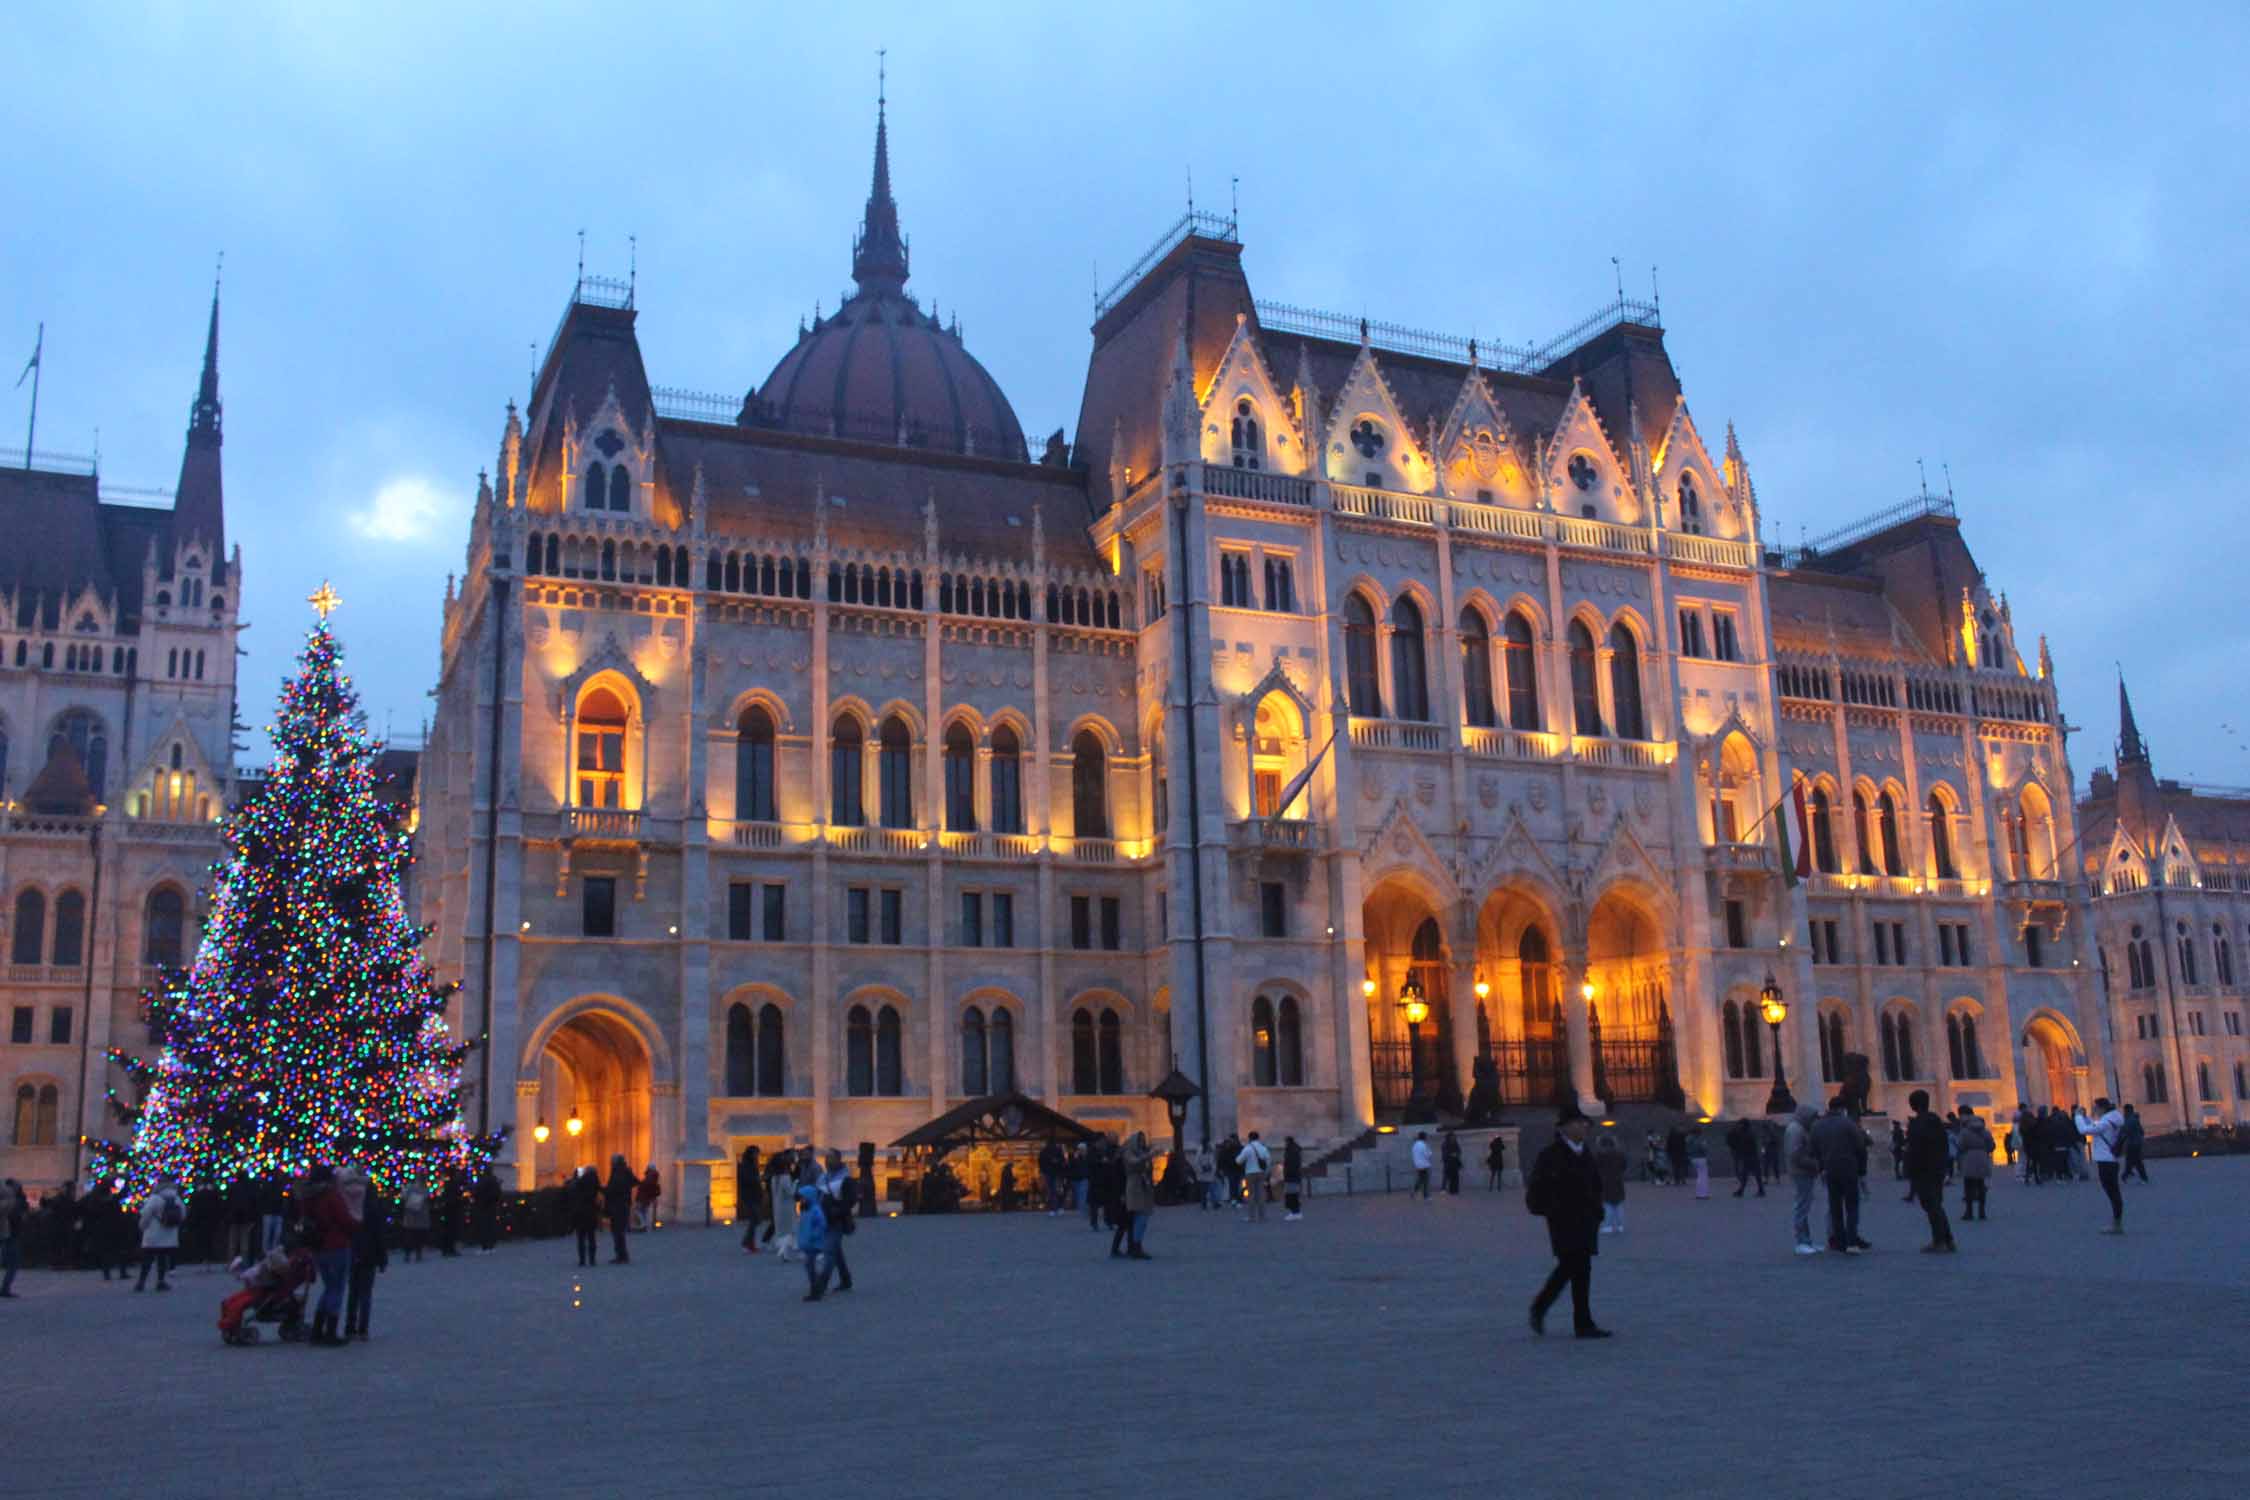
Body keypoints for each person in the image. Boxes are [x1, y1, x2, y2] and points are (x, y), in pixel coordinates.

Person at [1526, 1106, 1610, 1339]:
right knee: (1573, 1267)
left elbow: (1595, 1184)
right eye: (1579, 1123)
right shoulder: (1550, 1155)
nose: (1585, 1127)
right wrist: (1551, 1210)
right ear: (1564, 1127)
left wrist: (1597, 1211)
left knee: (1578, 1269)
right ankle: (1553, 1312)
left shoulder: (1585, 1153)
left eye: (1586, 1123)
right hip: (1563, 1222)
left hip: (1586, 1221)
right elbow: (1537, 1189)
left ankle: (1578, 1321)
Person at [302, 1166, 358, 1347]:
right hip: (337, 1245)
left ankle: (318, 1329)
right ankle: (330, 1331)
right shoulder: (331, 1196)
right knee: (336, 1288)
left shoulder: (308, 1197)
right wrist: (356, 1225)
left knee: (328, 1287)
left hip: (318, 1247)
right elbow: (344, 1220)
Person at [1811, 1098, 1871, 1254]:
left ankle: (1840, 1241)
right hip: (1848, 1169)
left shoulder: (1818, 1126)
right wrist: (1862, 1171)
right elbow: (1860, 1147)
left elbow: (1814, 1150)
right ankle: (1852, 1242)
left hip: (1830, 1171)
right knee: (1851, 1206)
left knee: (1835, 1207)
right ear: (1841, 1109)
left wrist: (1822, 1167)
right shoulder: (1848, 1124)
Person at [1903, 1090, 1956, 1253]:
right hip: (1937, 1168)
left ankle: (1939, 1241)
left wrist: (1910, 1169)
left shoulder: (1918, 1124)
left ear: (1914, 1105)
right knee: (1936, 1205)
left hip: (1923, 1170)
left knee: (1931, 1206)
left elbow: (1914, 1150)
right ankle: (1948, 1239)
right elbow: (1943, 1145)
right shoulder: (1936, 1120)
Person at [342, 1169, 388, 1340]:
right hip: (369, 1254)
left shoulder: (351, 1207)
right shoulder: (374, 1210)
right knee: (365, 1293)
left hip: (353, 1253)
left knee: (353, 1291)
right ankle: (363, 1328)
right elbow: (379, 1236)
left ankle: (349, 1325)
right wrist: (382, 1258)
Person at [2073, 1098, 2128, 1233]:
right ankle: (2117, 1223)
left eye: (2095, 1108)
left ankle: (2117, 1224)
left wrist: (2078, 1116)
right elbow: (2096, 1126)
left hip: (2106, 1160)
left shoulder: (2107, 1122)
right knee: (2114, 1192)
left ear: (2102, 1108)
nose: (2094, 1110)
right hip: (2111, 1159)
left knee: (2112, 1193)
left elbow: (2083, 1130)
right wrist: (2085, 1117)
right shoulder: (2112, 1119)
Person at [1783, 1101, 1823, 1255]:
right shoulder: (1796, 1130)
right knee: (1802, 1206)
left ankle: (1806, 1240)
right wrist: (1815, 1164)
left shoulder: (1799, 1128)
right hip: (1801, 1172)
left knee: (1804, 1205)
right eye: (1813, 1117)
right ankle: (1801, 1241)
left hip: (1803, 1171)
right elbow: (1796, 1155)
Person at [135, 1175, 187, 1292]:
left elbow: (146, 1214)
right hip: (169, 1235)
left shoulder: (155, 1198)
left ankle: (141, 1282)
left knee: (147, 1259)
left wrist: (142, 1226)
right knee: (162, 1260)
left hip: (153, 1235)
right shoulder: (176, 1198)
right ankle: (161, 1281)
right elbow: (183, 1214)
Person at [817, 1149, 856, 1293]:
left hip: (836, 1220)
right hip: (823, 1218)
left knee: (829, 1253)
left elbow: (851, 1199)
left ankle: (821, 1284)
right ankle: (846, 1280)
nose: (828, 1161)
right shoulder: (823, 1177)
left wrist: (838, 1211)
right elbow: (818, 1196)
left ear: (839, 1159)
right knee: (836, 1251)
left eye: (831, 1158)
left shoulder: (846, 1178)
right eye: (827, 1158)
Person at [1120, 1132, 1156, 1260]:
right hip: (1135, 1186)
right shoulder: (1129, 1152)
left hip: (1143, 1186)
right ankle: (1135, 1246)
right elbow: (1134, 1162)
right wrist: (1148, 1156)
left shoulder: (1141, 1152)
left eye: (1143, 1140)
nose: (1142, 1142)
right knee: (1140, 1216)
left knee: (1143, 1217)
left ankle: (1137, 1245)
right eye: (1140, 1140)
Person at [795, 1183, 833, 1302]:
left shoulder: (815, 1210)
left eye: (803, 1197)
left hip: (813, 1243)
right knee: (809, 1267)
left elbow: (822, 1225)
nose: (802, 1200)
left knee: (810, 1267)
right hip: (807, 1243)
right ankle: (817, 1289)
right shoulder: (805, 1209)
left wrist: (813, 1236)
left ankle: (815, 1291)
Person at [1955, 1108, 1995, 1222]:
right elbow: (1992, 1145)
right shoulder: (1985, 1132)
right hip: (1982, 1157)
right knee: (1981, 1184)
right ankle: (1982, 1212)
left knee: (1968, 1186)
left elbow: (1961, 1145)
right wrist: (1984, 1151)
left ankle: (1969, 1212)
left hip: (1968, 1158)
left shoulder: (1965, 1132)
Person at [80, 1179, 123, 1281]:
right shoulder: (110, 1199)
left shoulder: (94, 1198)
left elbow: (88, 1210)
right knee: (110, 1249)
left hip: (98, 1226)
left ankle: (105, 1270)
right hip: (109, 1226)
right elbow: (117, 1212)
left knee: (103, 1249)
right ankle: (110, 1270)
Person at [603, 1155, 637, 1263]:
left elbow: (613, 1189)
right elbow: (635, 1182)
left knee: (617, 1231)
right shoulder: (625, 1171)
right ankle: (622, 1255)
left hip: (618, 1205)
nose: (610, 1164)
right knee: (619, 1231)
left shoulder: (618, 1173)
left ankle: (621, 1256)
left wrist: (604, 1190)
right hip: (622, 1204)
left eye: (611, 1162)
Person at [1593, 1132, 1628, 1234]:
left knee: (1607, 1206)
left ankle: (1608, 1226)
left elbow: (1595, 1166)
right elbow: (1624, 1166)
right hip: (1617, 1181)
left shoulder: (1600, 1155)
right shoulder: (1619, 1154)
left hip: (1604, 1182)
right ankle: (1620, 1225)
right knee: (1619, 1205)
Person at [569, 1165, 602, 1267]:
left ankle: (582, 1260)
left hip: (580, 1212)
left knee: (581, 1237)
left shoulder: (580, 1182)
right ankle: (592, 1259)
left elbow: (572, 1192)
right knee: (591, 1237)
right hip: (591, 1212)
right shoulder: (595, 1182)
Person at [1238, 1131, 1272, 1222]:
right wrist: (1266, 1172)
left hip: (1250, 1173)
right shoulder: (1263, 1148)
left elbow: (1239, 1160)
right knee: (1261, 1194)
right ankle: (1262, 1216)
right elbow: (1268, 1160)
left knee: (1251, 1195)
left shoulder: (1247, 1148)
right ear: (1258, 1138)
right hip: (1261, 1173)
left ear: (1249, 1138)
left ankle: (1251, 1217)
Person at [1726, 1118, 1764, 1198]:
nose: (1739, 1126)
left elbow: (1744, 1145)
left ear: (1744, 1125)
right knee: (1748, 1174)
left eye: (1740, 1124)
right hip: (1750, 1156)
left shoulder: (1748, 1134)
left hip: (1751, 1156)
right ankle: (1743, 1190)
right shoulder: (1747, 1133)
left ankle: (1758, 1190)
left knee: (1754, 1174)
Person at [736, 1146, 764, 1250]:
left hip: (755, 1195)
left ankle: (750, 1243)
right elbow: (747, 1179)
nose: (757, 1155)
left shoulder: (753, 1164)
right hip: (749, 1196)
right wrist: (758, 1179)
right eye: (756, 1153)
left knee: (755, 1220)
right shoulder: (745, 1165)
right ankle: (747, 1242)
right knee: (755, 1219)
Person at [471, 1164, 502, 1253]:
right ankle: (489, 1244)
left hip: (483, 1206)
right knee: (489, 1225)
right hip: (489, 1206)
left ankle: (486, 1244)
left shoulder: (482, 1181)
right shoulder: (492, 1180)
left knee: (485, 1225)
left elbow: (476, 1192)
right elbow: (497, 1194)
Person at [0, 1177, 23, 1297]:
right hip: (10, 1235)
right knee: (13, 1263)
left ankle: (5, 1288)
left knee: (11, 1263)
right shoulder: (11, 1201)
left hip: (9, 1234)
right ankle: (5, 1288)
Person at [400, 1181, 432, 1262]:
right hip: (419, 1216)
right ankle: (417, 1254)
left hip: (411, 1216)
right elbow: (427, 1198)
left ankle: (408, 1254)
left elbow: (403, 1197)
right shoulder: (424, 1189)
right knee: (417, 1235)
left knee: (410, 1235)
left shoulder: (409, 1188)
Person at [436, 1167, 465, 1257]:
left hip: (447, 1208)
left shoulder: (445, 1184)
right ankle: (450, 1249)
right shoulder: (454, 1184)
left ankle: (446, 1249)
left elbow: (441, 1194)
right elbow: (457, 1195)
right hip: (452, 1208)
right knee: (451, 1229)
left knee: (447, 1229)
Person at [258, 1174, 289, 1254]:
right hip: (271, 1213)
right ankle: (267, 1253)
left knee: (273, 1234)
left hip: (275, 1213)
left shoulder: (281, 1187)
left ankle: (272, 1253)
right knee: (270, 1234)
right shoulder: (278, 1187)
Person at [2120, 1104, 2149, 1183]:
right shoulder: (2134, 1119)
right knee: (2132, 1160)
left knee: (2136, 1161)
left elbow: (2125, 1130)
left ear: (2127, 1110)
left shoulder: (2130, 1119)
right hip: (2135, 1142)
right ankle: (2126, 1174)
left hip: (2132, 1143)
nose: (2124, 1112)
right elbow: (2142, 1131)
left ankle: (2142, 1177)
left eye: (2125, 1110)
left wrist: (2121, 1131)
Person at [1282, 1136, 1305, 1220]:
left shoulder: (1291, 1151)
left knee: (1291, 1195)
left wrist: (1286, 1175)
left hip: (1291, 1177)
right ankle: (1296, 1212)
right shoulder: (1295, 1150)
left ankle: (1295, 1213)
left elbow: (1290, 1165)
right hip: (1295, 1176)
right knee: (1294, 1195)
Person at [1685, 1126, 1710, 1199]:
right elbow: (1703, 1148)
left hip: (1692, 1158)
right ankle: (1702, 1194)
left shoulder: (1688, 1139)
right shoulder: (1699, 1139)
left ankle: (1699, 1193)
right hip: (1700, 1158)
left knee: (1699, 1176)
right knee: (1703, 1177)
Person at [635, 1164, 662, 1231]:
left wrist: (640, 1183)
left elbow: (646, 1185)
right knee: (644, 1211)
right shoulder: (654, 1177)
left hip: (643, 1197)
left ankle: (644, 1224)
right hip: (646, 1197)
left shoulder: (650, 1176)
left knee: (638, 1211)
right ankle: (645, 1225)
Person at [1409, 1131, 1434, 1200]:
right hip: (1424, 1165)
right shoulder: (1424, 1145)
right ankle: (1426, 1196)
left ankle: (1414, 1192)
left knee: (1420, 1180)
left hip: (1417, 1165)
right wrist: (1429, 1150)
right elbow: (1428, 1155)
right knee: (1425, 1181)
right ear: (1424, 1137)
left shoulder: (1415, 1145)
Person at [1440, 1129, 1464, 1196]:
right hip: (1448, 1161)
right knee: (1446, 1175)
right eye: (1452, 1137)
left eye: (1454, 1137)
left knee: (1455, 1176)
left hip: (1454, 1162)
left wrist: (1456, 1154)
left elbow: (1459, 1151)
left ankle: (1454, 1190)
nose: (1453, 1138)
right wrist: (1451, 1154)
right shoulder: (1445, 1144)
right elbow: (1445, 1153)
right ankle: (1443, 1189)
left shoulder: (1455, 1143)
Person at [1890, 1120, 1910, 1197]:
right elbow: (1900, 1140)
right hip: (1898, 1148)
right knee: (1900, 1161)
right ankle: (1900, 1175)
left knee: (1898, 1162)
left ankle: (1900, 1174)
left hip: (1897, 1148)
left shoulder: (1896, 1131)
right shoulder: (1898, 1131)